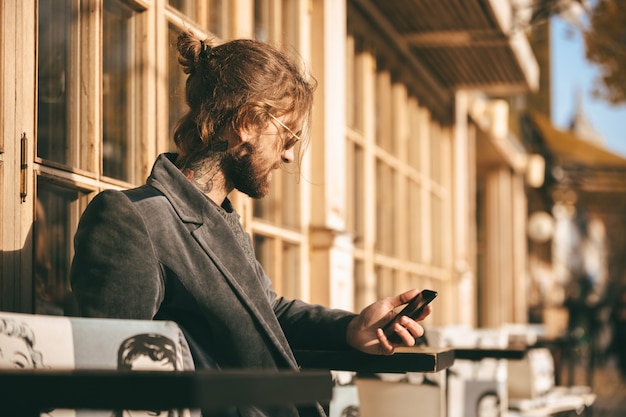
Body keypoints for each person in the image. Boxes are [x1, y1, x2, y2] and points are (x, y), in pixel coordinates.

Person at [70, 31, 432, 417]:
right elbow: (114, 383)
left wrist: (353, 327)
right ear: (246, 123)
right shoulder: (131, 218)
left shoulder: (219, 217)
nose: (289, 157)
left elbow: (267, 315)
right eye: (288, 136)